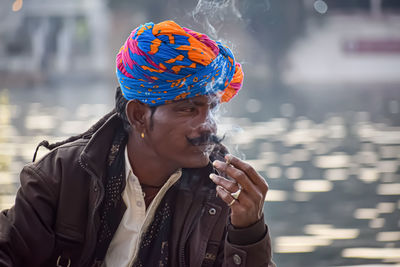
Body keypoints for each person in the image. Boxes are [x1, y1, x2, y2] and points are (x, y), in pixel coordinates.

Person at [0, 20, 275, 267]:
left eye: (211, 108)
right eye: (189, 109)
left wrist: (249, 233)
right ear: (139, 115)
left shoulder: (224, 197)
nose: (209, 125)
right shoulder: (61, 176)